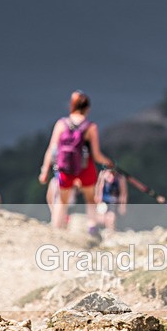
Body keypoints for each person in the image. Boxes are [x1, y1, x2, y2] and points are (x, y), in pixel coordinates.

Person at [39, 90, 113, 233]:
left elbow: (52, 149)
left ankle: (56, 231)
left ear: (71, 106)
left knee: (62, 201)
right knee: (90, 200)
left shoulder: (61, 124)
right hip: (85, 168)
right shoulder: (91, 127)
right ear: (87, 108)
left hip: (65, 168)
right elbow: (97, 155)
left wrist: (44, 171)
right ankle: (92, 230)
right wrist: (109, 162)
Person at [94, 167, 128, 232]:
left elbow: (123, 193)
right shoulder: (103, 174)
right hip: (103, 201)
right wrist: (97, 198)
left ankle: (110, 232)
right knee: (100, 218)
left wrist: (122, 206)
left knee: (111, 218)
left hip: (114, 201)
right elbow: (99, 187)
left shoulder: (120, 177)